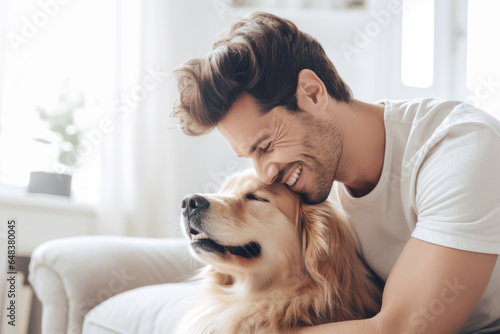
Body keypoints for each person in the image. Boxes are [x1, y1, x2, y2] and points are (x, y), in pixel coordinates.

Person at [172, 11, 500, 334]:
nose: (266, 174)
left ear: (313, 93)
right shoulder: (313, 184)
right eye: (250, 156)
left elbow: (400, 330)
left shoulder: (457, 148)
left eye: (266, 144)